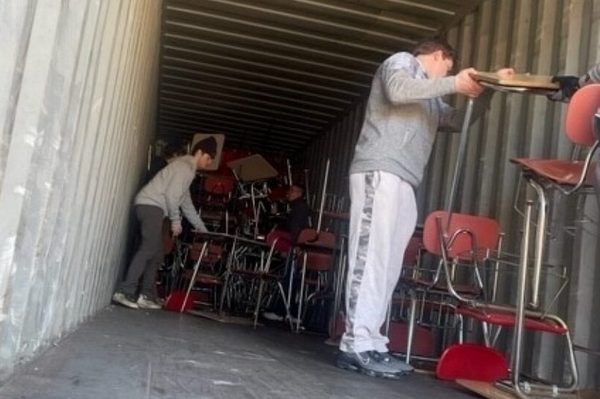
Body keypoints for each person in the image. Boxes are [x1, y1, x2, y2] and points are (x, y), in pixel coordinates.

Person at [336, 38, 513, 378]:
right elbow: (399, 91)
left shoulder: (431, 100)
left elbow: (458, 121)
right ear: (438, 56)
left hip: (404, 180)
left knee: (387, 268)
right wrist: (453, 82)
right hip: (380, 170)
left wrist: (489, 90)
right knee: (370, 259)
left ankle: (372, 342)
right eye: (447, 67)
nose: (447, 74)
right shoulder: (402, 62)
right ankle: (354, 345)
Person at [112, 137, 217, 310]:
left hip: (152, 207)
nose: (209, 162)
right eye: (208, 158)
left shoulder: (186, 170)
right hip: (151, 206)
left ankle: (146, 295)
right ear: (199, 153)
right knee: (148, 248)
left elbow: (186, 203)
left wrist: (202, 228)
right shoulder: (185, 168)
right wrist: (176, 221)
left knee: (157, 253)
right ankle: (124, 291)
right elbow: (172, 196)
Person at [262, 184, 311, 322]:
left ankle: (281, 311)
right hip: (300, 246)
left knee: (289, 278)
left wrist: (293, 246)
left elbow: (295, 228)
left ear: (299, 192)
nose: (288, 193)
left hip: (296, 246)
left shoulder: (299, 208)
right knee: (292, 279)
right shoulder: (301, 207)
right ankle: (289, 312)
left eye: (291, 191)